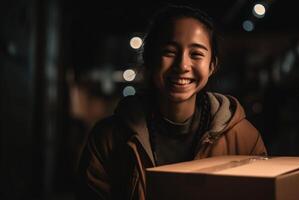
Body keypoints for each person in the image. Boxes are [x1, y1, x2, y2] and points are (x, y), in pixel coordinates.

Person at [76, 4, 267, 200]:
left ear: (211, 66)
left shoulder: (244, 139)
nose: (182, 65)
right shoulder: (107, 139)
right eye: (169, 51)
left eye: (196, 54)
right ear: (149, 59)